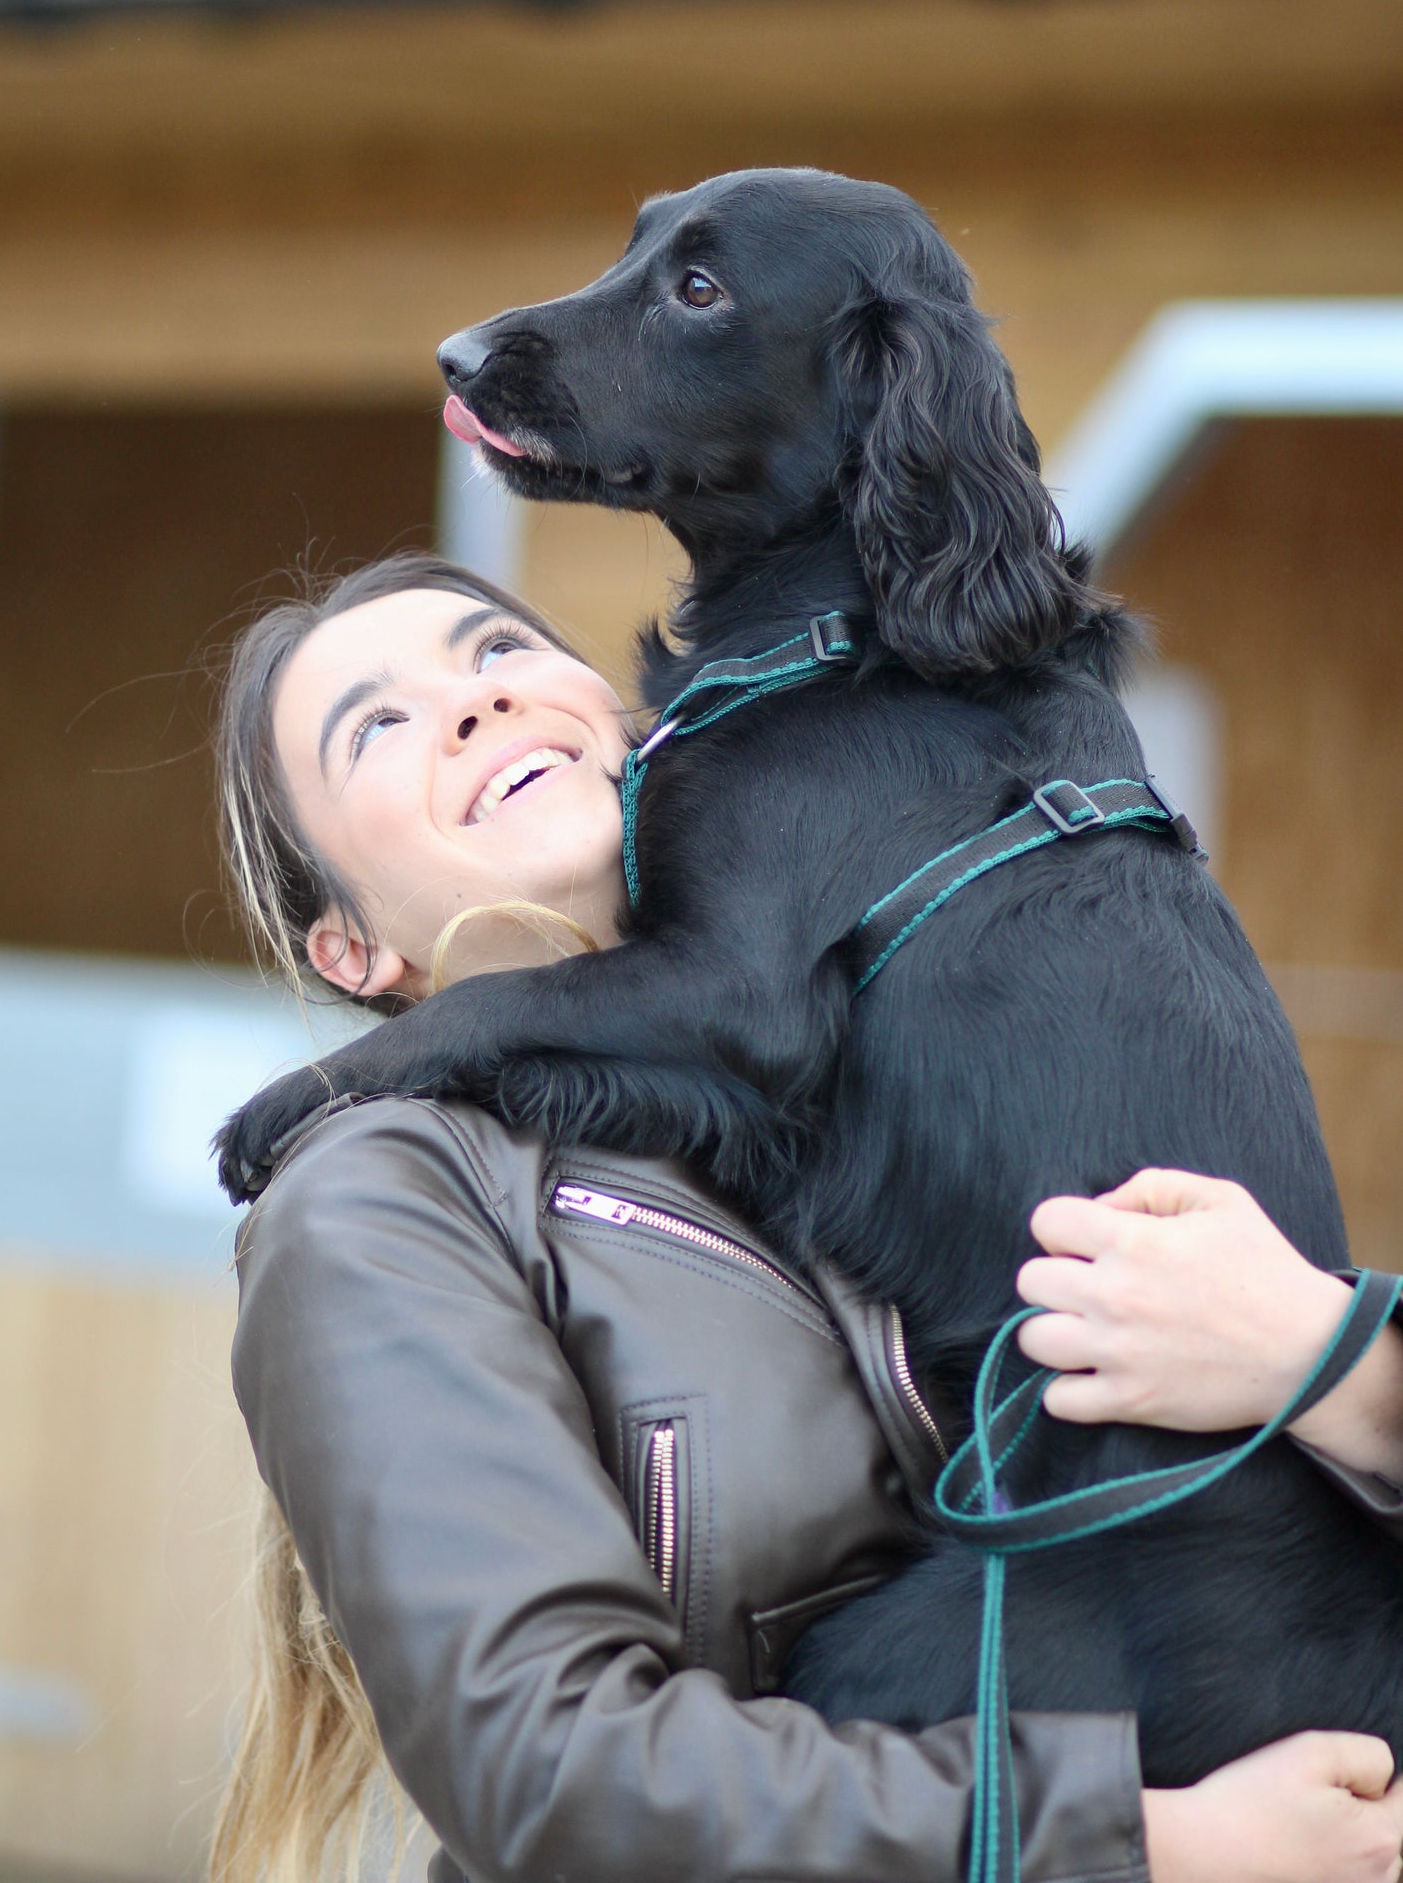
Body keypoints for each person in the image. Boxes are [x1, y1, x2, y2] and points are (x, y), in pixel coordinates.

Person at [211, 551, 1403, 1883]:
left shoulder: (892, 1024)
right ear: (348, 950)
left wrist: (1341, 1363)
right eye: (374, 725)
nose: (474, 704)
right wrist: (1143, 1841)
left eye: (496, 653)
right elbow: (548, 1769)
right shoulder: (378, 1201)